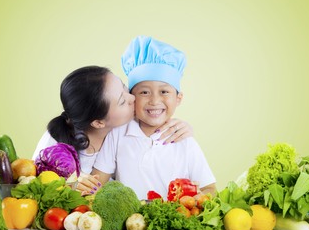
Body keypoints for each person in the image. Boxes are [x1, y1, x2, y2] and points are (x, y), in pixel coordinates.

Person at [84, 36, 217, 200]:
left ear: (178, 99)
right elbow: (97, 183)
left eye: (164, 92)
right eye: (144, 92)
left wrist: (195, 200)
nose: (154, 101)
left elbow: (209, 188)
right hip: (129, 222)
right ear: (132, 97)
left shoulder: (184, 140)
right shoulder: (117, 134)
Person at [32, 65, 193, 187]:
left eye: (124, 88)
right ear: (98, 122)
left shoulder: (126, 125)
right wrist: (66, 186)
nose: (132, 98)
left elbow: (157, 117)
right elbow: (32, 187)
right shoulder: (54, 145)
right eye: (122, 101)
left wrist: (183, 127)